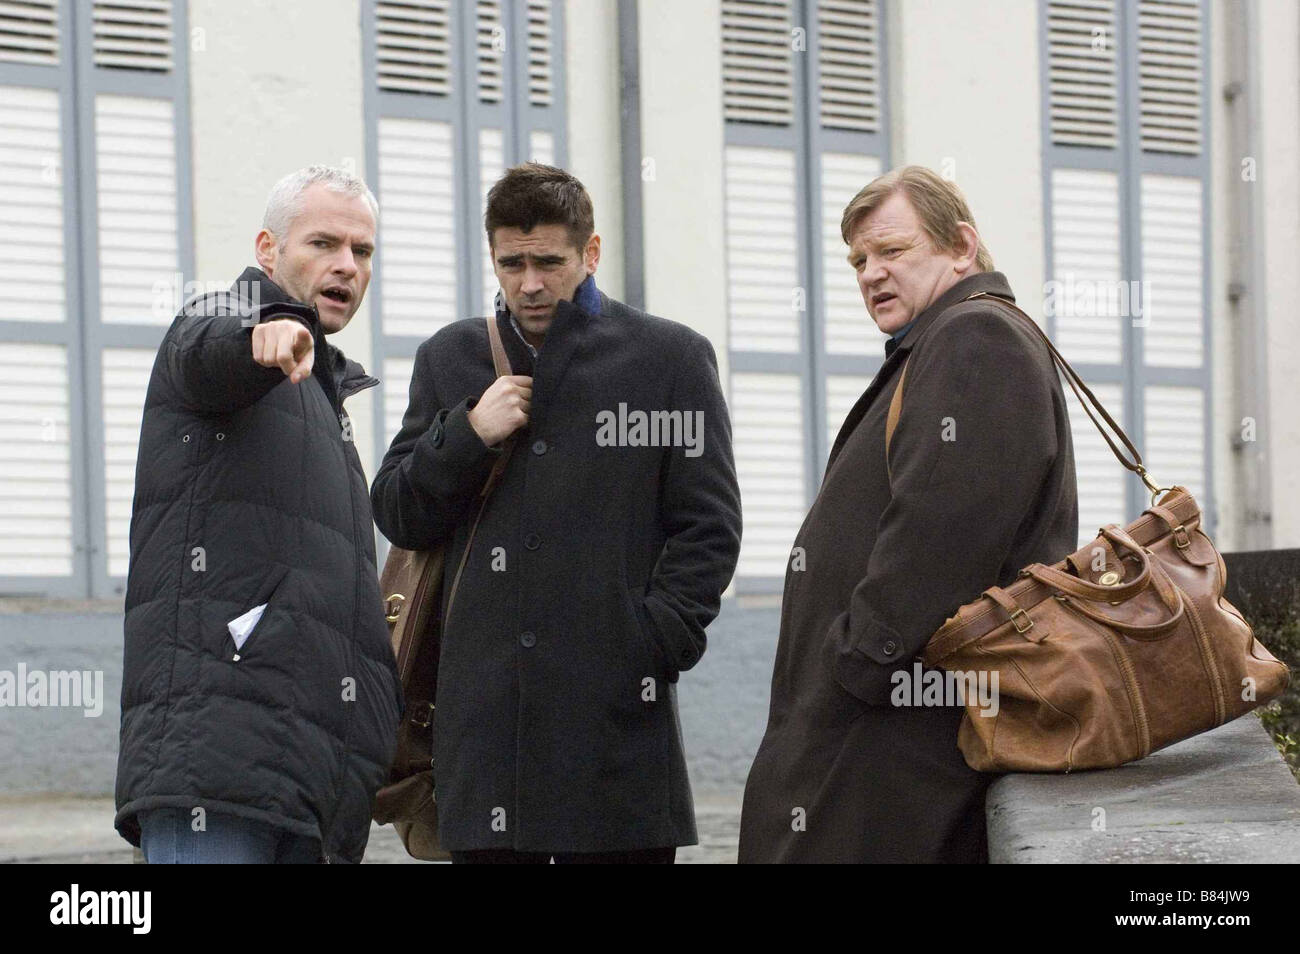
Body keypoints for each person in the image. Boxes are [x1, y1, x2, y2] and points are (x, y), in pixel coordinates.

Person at [371, 162, 742, 863]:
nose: (530, 283)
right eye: (512, 263)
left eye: (549, 261)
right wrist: (469, 434)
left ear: (590, 254)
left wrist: (651, 641)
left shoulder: (670, 360)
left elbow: (709, 527)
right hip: (483, 745)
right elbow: (397, 512)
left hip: (615, 739)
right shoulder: (450, 357)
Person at [738, 166, 1078, 863]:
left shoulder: (975, 338)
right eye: (859, 260)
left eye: (892, 251)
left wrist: (854, 667)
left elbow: (939, 541)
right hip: (882, 731)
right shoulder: (947, 339)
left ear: (961, 245)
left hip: (889, 741)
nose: (870, 274)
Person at [114, 166, 402, 864]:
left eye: (361, 252)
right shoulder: (225, 320)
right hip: (214, 778)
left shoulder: (324, 397)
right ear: (268, 250)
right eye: (324, 243)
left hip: (311, 786)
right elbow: (205, 353)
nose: (346, 265)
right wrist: (261, 337)